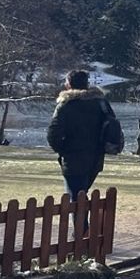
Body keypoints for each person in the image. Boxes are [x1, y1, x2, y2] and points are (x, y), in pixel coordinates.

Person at [46, 71, 114, 234]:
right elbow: (111, 125)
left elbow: (53, 133)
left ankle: (81, 235)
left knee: (76, 198)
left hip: (73, 157)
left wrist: (62, 149)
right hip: (96, 158)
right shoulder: (100, 103)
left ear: (68, 84)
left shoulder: (66, 105)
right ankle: (84, 232)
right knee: (82, 193)